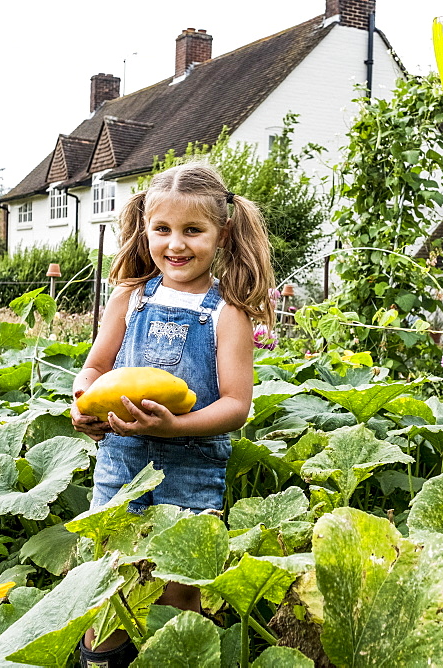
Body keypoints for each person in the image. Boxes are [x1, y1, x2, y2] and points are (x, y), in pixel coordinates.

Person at [70, 162, 274, 667]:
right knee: (112, 584)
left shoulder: (227, 311)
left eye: (192, 231)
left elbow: (236, 404)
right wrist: (83, 402)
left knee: (180, 592)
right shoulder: (129, 297)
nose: (175, 244)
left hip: (192, 468)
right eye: (162, 230)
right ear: (145, 229)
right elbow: (94, 367)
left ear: (221, 233)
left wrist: (176, 427)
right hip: (121, 462)